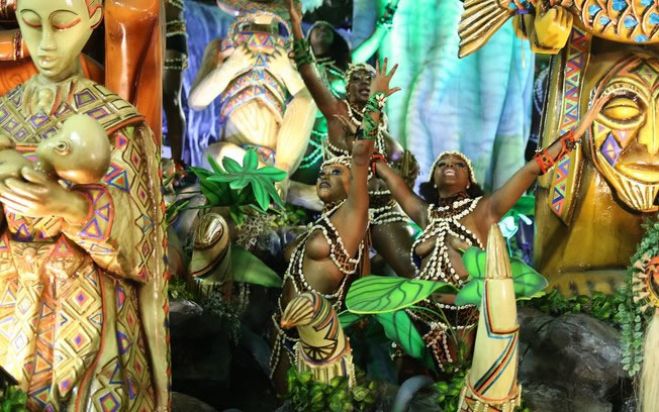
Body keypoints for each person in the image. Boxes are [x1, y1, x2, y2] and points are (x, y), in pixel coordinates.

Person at [0, 0, 168, 409]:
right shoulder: (4, 113)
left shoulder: (117, 124)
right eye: (31, 22)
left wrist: (75, 207)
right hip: (10, 304)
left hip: (89, 312)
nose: (44, 43)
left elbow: (142, 247)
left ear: (94, 16)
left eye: (62, 24)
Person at [373, 103, 605, 370]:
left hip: (461, 323)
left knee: (454, 390)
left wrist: (576, 133)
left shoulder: (483, 210)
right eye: (443, 164)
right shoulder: (426, 214)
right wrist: (375, 105)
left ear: (469, 181)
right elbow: (386, 173)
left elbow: (532, 169)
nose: (450, 166)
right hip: (418, 315)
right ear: (434, 179)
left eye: (459, 164)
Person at [270, 60, 398, 393]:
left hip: (317, 350)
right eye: (324, 173)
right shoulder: (327, 220)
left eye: (336, 173)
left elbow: (361, 153)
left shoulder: (353, 214)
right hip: (285, 340)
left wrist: (376, 103)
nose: (325, 175)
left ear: (355, 182)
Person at [287, 0, 416, 278]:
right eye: (357, 78)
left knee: (413, 269)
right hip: (345, 212)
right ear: (346, 87)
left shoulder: (383, 129)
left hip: (382, 211)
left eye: (369, 78)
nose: (364, 82)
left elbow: (400, 163)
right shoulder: (337, 113)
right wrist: (296, 25)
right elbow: (308, 71)